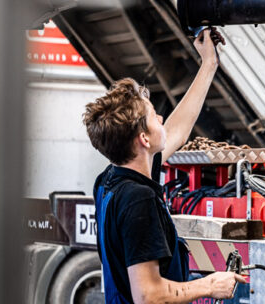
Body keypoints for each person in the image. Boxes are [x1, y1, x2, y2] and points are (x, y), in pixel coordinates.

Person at [83, 28, 245, 304]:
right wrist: (209, 284)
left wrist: (209, 64)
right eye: (152, 116)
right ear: (143, 139)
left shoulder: (110, 180)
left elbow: (178, 130)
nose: (160, 117)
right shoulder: (138, 199)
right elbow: (148, 295)